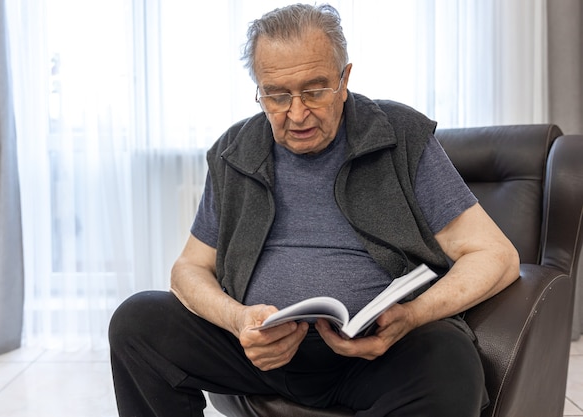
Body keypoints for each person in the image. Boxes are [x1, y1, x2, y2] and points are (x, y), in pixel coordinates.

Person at [109, 4, 520, 416]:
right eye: (277, 95)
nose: (297, 113)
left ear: (344, 80)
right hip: (258, 355)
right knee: (137, 321)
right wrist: (238, 321)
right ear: (259, 91)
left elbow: (496, 256)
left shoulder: (401, 136)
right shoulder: (236, 151)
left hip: (377, 357)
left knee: (448, 357)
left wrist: (412, 315)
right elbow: (189, 269)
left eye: (315, 90)